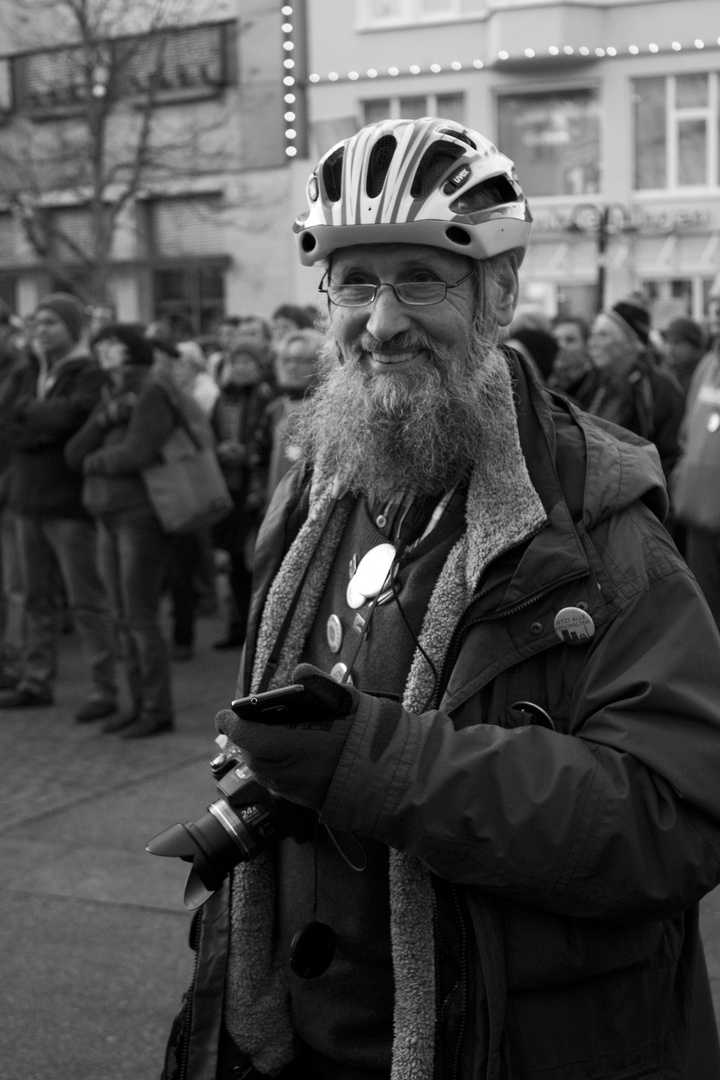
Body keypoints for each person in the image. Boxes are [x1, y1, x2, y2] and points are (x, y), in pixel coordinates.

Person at [162, 117, 720, 1080]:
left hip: (496, 1044)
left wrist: (369, 763)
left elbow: (669, 823)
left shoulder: (600, 533)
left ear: (499, 293)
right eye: (355, 283)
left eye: (421, 279)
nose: (380, 323)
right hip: (292, 1037)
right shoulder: (318, 485)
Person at [0, 292, 119, 717]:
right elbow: (7, 420)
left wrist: (34, 420)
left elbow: (72, 420)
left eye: (50, 322)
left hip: (69, 505)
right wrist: (41, 425)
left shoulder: (88, 372)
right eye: (37, 323)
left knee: (86, 600)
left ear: (71, 328)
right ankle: (35, 680)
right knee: (34, 597)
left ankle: (105, 689)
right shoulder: (26, 369)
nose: (40, 330)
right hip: (26, 501)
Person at [65, 322, 183, 737]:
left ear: (131, 349)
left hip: (139, 516)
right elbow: (73, 450)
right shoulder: (111, 393)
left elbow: (137, 453)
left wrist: (95, 462)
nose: (102, 351)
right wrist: (106, 423)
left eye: (111, 345)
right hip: (106, 515)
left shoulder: (152, 389)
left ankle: (156, 709)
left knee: (140, 616)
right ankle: (136, 705)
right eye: (99, 345)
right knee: (119, 616)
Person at [211, 340, 275, 651]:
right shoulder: (224, 397)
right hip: (230, 487)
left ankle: (260, 628)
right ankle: (238, 625)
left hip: (257, 489)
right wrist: (220, 450)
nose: (241, 368)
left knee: (256, 560)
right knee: (234, 560)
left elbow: (269, 443)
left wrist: (247, 454)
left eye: (248, 362)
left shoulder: (269, 397)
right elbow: (210, 434)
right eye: (236, 362)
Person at [582, 297, 685, 481]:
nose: (592, 343)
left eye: (603, 335)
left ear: (631, 343)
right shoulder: (595, 383)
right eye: (593, 334)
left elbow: (669, 455)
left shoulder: (660, 389)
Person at [256, 327, 323, 503]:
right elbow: (261, 459)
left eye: (302, 360)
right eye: (287, 360)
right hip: (276, 502)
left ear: (320, 362)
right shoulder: (275, 409)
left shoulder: (329, 408)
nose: (292, 366)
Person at [660, 316, 706, 399]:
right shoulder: (665, 372)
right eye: (668, 342)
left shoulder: (703, 377)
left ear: (695, 347)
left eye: (676, 343)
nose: (670, 348)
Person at [549, 315, 593, 397]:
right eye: (555, 340)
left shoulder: (592, 384)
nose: (560, 345)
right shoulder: (547, 382)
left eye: (570, 340)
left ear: (586, 346)